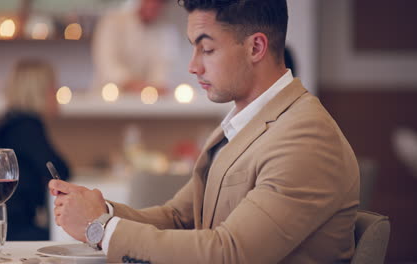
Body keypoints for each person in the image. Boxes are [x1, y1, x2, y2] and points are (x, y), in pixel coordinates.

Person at [50, 0, 359, 263]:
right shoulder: (243, 122)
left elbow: (229, 254)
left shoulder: (306, 138)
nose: (193, 66)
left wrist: (100, 228)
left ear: (256, 47)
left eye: (207, 49)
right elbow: (178, 219)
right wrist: (99, 209)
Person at [0, 59, 70, 241]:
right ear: (40, 92)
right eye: (54, 88)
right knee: (73, 240)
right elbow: (61, 172)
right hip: (13, 231)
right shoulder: (26, 128)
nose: (57, 94)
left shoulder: (5, 125)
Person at [91, 0, 178, 93]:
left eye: (159, 2)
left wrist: (156, 85)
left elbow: (163, 67)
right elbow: (106, 63)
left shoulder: (166, 31)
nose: (154, 5)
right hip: (108, 96)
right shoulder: (112, 21)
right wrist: (132, 84)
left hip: (147, 99)